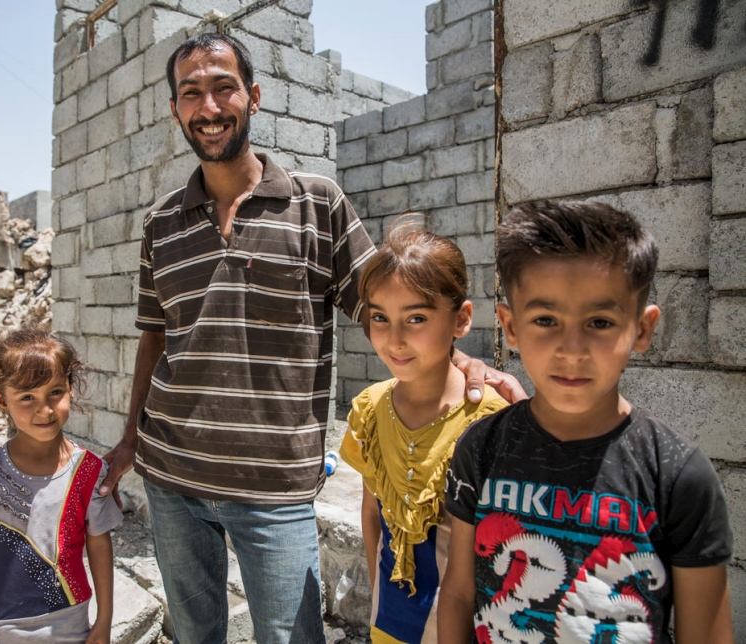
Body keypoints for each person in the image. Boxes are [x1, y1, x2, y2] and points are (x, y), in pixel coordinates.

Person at [99, 32, 525, 644]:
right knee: (195, 634)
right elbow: (154, 336)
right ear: (175, 109)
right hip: (173, 476)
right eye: (191, 93)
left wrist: (461, 357)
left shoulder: (316, 204)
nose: (209, 106)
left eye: (224, 87)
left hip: (275, 487)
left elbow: (384, 306)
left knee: (293, 635)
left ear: (254, 95)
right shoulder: (161, 223)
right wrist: (127, 439)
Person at [438, 201, 734, 643]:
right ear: (510, 326)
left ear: (642, 329)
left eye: (599, 322)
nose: (571, 349)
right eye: (546, 320)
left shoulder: (677, 475)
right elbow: (460, 594)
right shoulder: (481, 448)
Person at [338, 221, 508, 644]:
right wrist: (378, 596)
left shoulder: (489, 421)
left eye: (416, 317)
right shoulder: (370, 411)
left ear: (462, 319)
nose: (394, 340)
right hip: (390, 623)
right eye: (380, 317)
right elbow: (372, 512)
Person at [0, 329, 123, 644]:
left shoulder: (90, 472)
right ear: (2, 400)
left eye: (55, 392)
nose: (44, 410)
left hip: (71, 623)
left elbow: (99, 546)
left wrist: (104, 621)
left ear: (71, 390)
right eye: (27, 397)